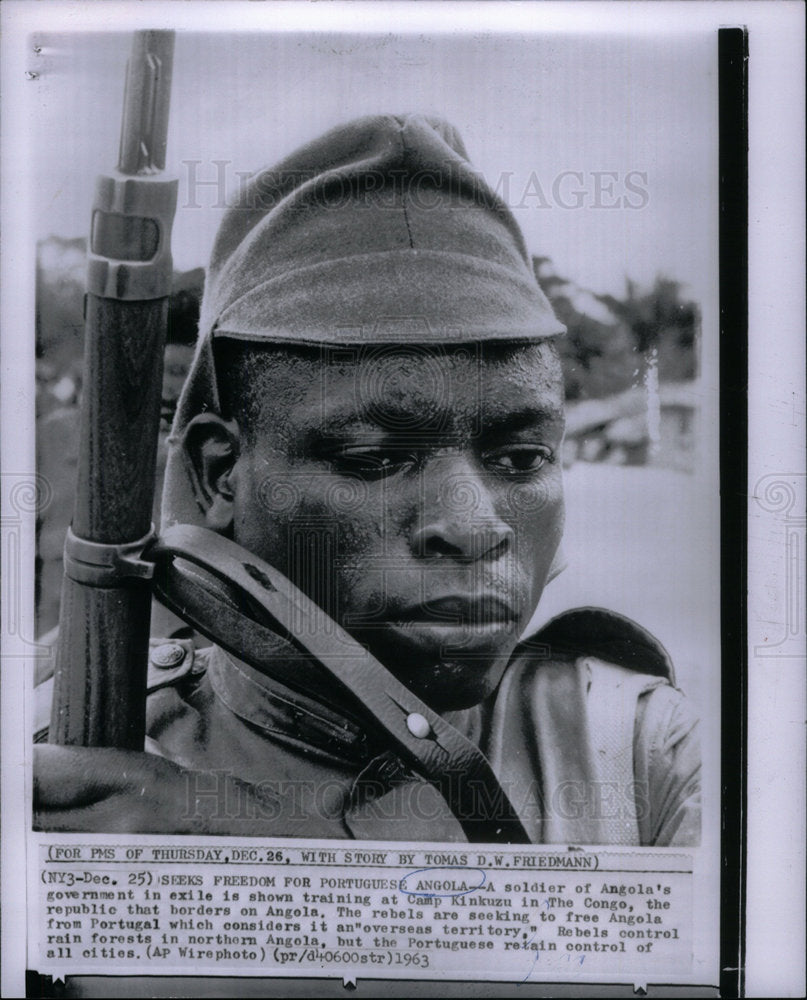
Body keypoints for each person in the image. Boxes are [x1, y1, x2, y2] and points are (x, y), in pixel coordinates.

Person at [34, 114, 699, 845]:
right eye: (374, 459)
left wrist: (276, 854)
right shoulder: (74, 758)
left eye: (521, 459)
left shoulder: (646, 755)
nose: (475, 525)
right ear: (221, 475)